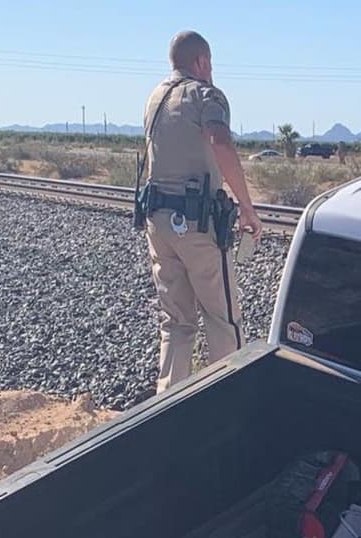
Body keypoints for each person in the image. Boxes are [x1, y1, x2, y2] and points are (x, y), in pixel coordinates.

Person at [140, 30, 262, 394]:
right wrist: (247, 207)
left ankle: (166, 407)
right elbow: (220, 140)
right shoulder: (206, 95)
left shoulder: (155, 97)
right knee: (223, 319)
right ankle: (230, 400)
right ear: (202, 61)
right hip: (197, 227)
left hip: (158, 224)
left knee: (176, 322)